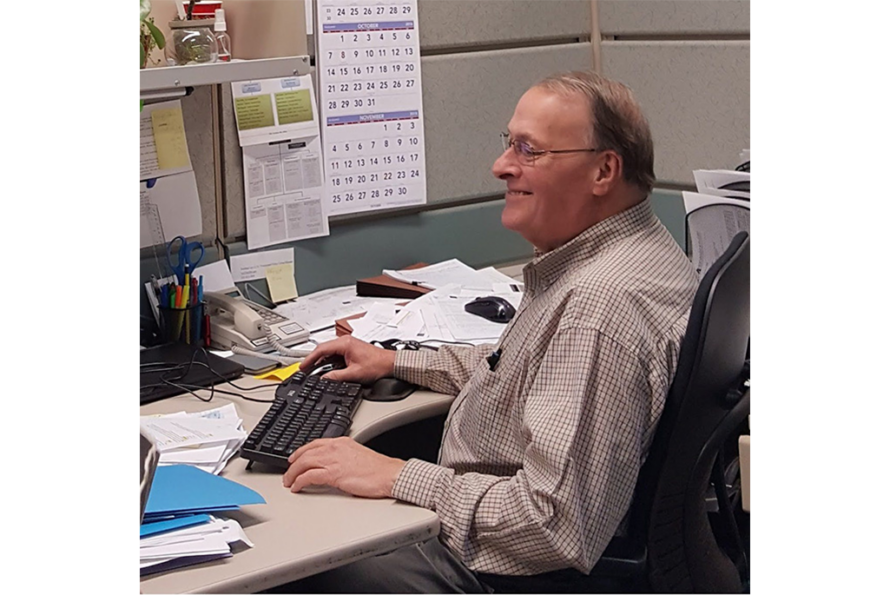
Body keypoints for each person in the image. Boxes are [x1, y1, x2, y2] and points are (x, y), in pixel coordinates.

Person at [275, 70, 699, 593]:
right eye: (509, 144)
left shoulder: (599, 306)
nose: (501, 166)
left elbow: (553, 524)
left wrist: (395, 476)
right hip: (510, 539)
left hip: (501, 572)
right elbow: (525, 369)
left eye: (529, 150)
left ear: (603, 170)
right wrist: (395, 362)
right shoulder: (630, 254)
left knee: (300, 560)